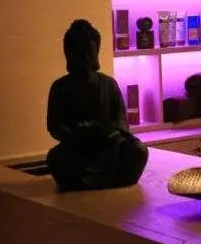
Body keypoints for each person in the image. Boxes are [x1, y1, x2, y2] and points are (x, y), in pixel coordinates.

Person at [46, 19, 149, 191]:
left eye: (89, 53)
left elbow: (121, 120)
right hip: (78, 149)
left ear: (96, 53)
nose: (86, 59)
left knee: (138, 150)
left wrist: (109, 132)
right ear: (69, 54)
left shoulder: (108, 84)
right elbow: (54, 126)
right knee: (56, 158)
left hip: (109, 146)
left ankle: (108, 179)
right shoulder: (60, 87)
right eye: (80, 54)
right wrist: (78, 135)